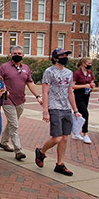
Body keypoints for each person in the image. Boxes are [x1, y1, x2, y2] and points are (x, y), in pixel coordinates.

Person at [34, 48, 79, 176]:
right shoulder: (49, 72)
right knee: (57, 138)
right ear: (55, 58)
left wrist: (75, 110)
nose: (65, 57)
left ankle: (60, 164)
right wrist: (45, 111)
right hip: (54, 107)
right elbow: (45, 92)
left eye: (66, 55)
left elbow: (70, 92)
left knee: (64, 138)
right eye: (62, 55)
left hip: (66, 108)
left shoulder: (69, 73)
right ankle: (41, 152)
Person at [0, 45, 43, 161]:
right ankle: (18, 151)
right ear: (11, 55)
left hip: (20, 100)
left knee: (12, 123)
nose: (17, 55)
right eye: (14, 53)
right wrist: (4, 90)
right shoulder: (4, 67)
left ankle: (3, 142)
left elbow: (30, 83)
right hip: (8, 100)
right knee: (14, 125)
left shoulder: (26, 68)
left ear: (23, 55)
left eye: (19, 54)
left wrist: (37, 96)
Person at [71, 57, 96, 144]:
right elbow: (72, 86)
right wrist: (84, 86)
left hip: (86, 95)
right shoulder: (77, 73)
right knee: (85, 113)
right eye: (88, 63)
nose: (90, 65)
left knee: (80, 114)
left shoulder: (89, 73)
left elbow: (91, 81)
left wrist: (92, 85)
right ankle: (85, 133)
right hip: (78, 95)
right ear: (83, 64)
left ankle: (75, 131)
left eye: (91, 63)